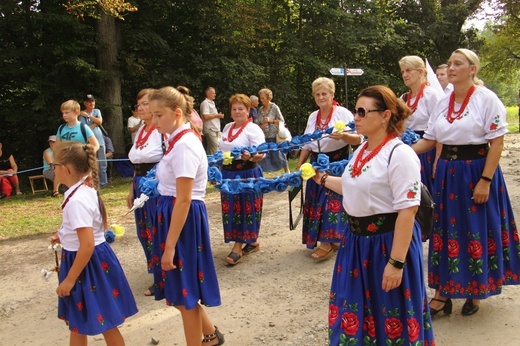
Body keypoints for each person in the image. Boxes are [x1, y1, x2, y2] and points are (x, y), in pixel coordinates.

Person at [314, 85, 434, 344]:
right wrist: (322, 178)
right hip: (356, 244)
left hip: (387, 244)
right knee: (356, 310)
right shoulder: (362, 150)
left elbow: (408, 210)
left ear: (385, 115)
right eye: (356, 111)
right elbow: (352, 186)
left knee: (390, 312)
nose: (355, 117)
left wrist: (396, 263)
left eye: (361, 111)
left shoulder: (400, 154)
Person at [412, 48, 520, 316]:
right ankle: (442, 293)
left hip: (476, 171)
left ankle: (475, 290)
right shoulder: (443, 101)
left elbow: (496, 143)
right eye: (449, 64)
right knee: (446, 232)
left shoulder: (486, 99)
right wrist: (397, 151)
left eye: (457, 64)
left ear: (473, 69)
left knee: (475, 229)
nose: (451, 68)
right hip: (448, 175)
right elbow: (431, 139)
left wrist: (485, 180)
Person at [149, 86, 223, 346]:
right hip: (175, 216)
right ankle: (211, 334)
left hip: (183, 219)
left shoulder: (185, 146)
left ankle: (203, 340)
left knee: (184, 295)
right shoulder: (175, 140)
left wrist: (169, 247)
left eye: (158, 115)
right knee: (182, 291)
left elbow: (183, 199)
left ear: (177, 113)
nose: (153, 121)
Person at [49, 141, 138, 345]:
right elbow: (86, 228)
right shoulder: (83, 190)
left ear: (66, 169)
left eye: (54, 166)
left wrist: (70, 279)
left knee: (105, 322)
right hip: (90, 261)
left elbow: (87, 244)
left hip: (85, 265)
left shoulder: (77, 200)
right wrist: (64, 234)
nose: (52, 170)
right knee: (78, 321)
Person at [296, 77, 360, 260]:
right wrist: (300, 164)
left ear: (332, 94)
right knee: (318, 202)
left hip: (337, 162)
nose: (321, 97)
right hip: (316, 163)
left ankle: (327, 243)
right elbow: (307, 144)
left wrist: (343, 138)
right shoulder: (312, 116)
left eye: (324, 93)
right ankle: (328, 240)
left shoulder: (342, 113)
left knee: (332, 203)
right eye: (317, 94)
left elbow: (358, 138)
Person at [218, 94, 266, 265]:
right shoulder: (227, 128)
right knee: (231, 209)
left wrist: (250, 157)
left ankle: (238, 246)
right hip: (228, 174)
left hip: (247, 174)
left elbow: (261, 153)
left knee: (245, 210)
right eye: (234, 108)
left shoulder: (253, 129)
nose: (237, 111)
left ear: (248, 111)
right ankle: (251, 242)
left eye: (241, 108)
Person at [127, 88, 165, 297]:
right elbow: (137, 163)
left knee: (157, 228)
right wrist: (131, 189)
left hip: (156, 185)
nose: (139, 108)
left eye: (144, 104)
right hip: (139, 183)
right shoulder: (141, 130)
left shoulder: (162, 131)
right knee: (145, 231)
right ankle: (156, 273)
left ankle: (164, 277)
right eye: (138, 104)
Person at [399, 55, 443, 194]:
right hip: (407, 149)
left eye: (408, 70)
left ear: (421, 72)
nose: (405, 75)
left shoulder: (431, 96)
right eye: (402, 72)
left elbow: (440, 130)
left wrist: (438, 159)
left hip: (427, 149)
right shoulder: (404, 98)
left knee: (426, 190)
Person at [256, 88, 288, 173]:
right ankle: (264, 173)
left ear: (268, 97)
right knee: (264, 154)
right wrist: (261, 126)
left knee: (278, 153)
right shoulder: (260, 109)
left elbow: (281, 121)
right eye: (260, 98)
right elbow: (256, 122)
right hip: (263, 136)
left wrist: (271, 121)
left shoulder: (274, 107)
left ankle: (286, 171)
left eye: (263, 98)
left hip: (274, 135)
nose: (261, 100)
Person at [80, 94, 108, 188]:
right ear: (85, 103)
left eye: (93, 101)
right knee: (93, 163)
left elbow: (100, 121)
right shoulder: (81, 115)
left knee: (103, 163)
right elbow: (85, 128)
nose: (91, 103)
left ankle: (104, 183)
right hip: (90, 143)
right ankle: (96, 183)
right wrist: (95, 123)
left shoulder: (96, 111)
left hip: (100, 140)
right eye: (89, 102)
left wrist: (89, 116)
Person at [201, 86, 224, 155]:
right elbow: (205, 116)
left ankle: (208, 163)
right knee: (214, 147)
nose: (215, 95)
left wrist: (217, 115)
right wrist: (217, 115)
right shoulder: (205, 103)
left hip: (215, 129)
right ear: (208, 94)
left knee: (212, 149)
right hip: (210, 129)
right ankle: (211, 163)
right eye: (213, 93)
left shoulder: (212, 103)